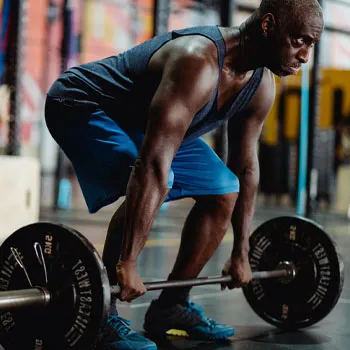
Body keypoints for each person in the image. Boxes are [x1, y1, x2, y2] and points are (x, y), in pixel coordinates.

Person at [45, 0, 324, 349]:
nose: (305, 56)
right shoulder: (198, 61)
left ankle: (171, 308)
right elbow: (152, 167)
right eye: (300, 40)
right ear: (268, 26)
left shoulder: (260, 85)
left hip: (143, 124)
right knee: (156, 176)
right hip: (83, 104)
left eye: (311, 45)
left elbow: (246, 166)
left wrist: (242, 251)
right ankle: (101, 315)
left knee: (224, 187)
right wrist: (128, 262)